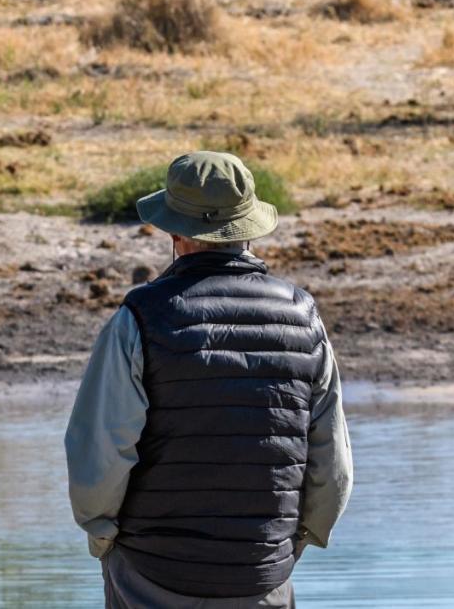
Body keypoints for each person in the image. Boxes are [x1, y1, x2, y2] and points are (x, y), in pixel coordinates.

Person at [66, 151, 352, 608]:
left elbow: (98, 452)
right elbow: (332, 467)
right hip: (262, 577)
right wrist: (294, 545)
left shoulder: (138, 318)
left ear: (175, 231)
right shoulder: (304, 318)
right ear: (249, 227)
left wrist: (102, 537)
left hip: (151, 571)